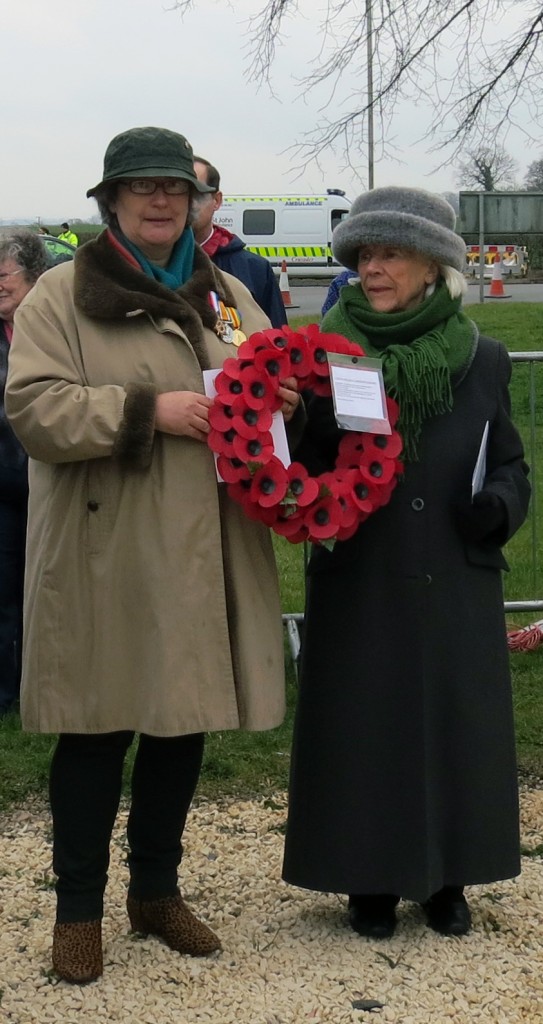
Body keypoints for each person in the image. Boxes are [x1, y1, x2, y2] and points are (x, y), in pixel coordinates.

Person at [6, 126, 300, 985]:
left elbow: (253, 390)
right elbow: (34, 410)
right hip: (109, 546)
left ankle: (155, 892)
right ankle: (77, 913)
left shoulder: (229, 299)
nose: (162, 199)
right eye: (143, 188)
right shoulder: (60, 295)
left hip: (205, 545)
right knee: (96, 730)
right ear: (112, 202)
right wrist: (148, 412)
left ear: (196, 201)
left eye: (176, 187)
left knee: (182, 723)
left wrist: (279, 401)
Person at [282, 187, 530, 940]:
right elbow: (304, 463)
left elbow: (511, 465)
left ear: (431, 265)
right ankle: (368, 878)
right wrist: (293, 423)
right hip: (362, 570)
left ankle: (448, 876)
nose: (372, 268)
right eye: (362, 255)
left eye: (388, 253)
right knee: (364, 724)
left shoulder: (481, 359)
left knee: (454, 726)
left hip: (454, 573)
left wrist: (496, 506)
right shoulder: (325, 355)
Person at [0, 232, 49, 716]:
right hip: (4, 480)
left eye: (4, 276)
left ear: (34, 278)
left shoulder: (53, 327)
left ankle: (45, 680)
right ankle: (6, 690)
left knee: (49, 586)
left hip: (50, 479)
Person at [192, 157, 287, 328]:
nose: (187, 202)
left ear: (217, 200)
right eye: (179, 192)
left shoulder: (255, 270)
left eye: (197, 193)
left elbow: (278, 343)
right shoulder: (149, 265)